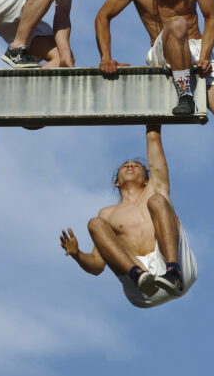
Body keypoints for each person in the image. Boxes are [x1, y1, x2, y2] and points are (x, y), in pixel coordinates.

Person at [94, 0, 214, 226]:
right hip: (162, 53)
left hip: (198, 49)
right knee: (176, 25)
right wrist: (106, 57)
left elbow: (211, 17)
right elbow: (103, 16)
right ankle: (184, 93)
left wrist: (205, 54)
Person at [60, 125, 197, 308]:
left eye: (136, 165)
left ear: (147, 179)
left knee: (157, 200)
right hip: (141, 286)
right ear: (117, 182)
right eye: (125, 166)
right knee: (95, 223)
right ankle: (138, 275)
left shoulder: (155, 187)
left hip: (173, 266)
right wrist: (77, 254)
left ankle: (173, 272)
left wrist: (151, 121)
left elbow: (154, 139)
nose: (131, 165)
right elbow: (96, 266)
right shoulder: (107, 214)